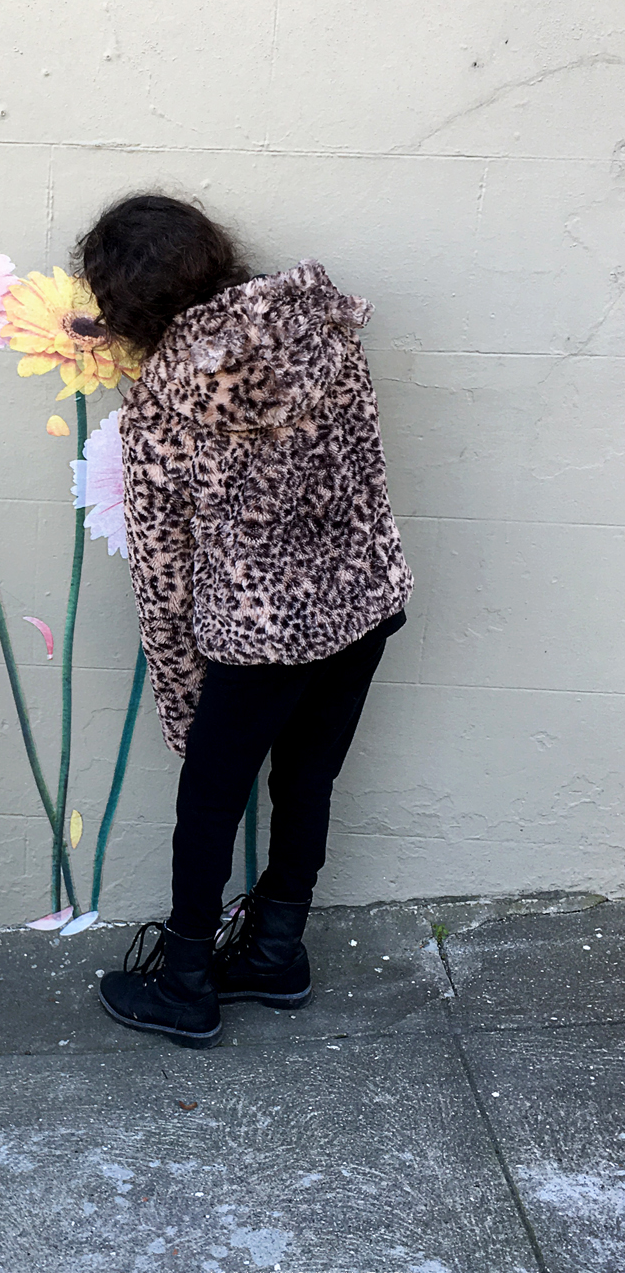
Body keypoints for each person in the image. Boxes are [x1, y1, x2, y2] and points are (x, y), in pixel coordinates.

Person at [75, 194, 413, 1048]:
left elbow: (163, 567)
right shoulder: (322, 328)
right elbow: (364, 455)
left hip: (258, 635)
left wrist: (181, 691)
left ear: (129, 305)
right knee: (309, 781)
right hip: (363, 600)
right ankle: (276, 950)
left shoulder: (163, 401)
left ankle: (187, 980)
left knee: (211, 800)